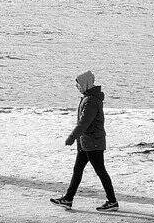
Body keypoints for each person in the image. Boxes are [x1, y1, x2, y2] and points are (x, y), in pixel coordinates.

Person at [50, 71, 119, 212]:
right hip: (86, 143)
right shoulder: (88, 98)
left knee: (100, 171)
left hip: (93, 143)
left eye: (79, 84)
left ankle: (112, 201)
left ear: (86, 84)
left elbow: (84, 123)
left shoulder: (91, 100)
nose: (77, 87)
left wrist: (71, 137)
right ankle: (68, 199)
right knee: (78, 170)